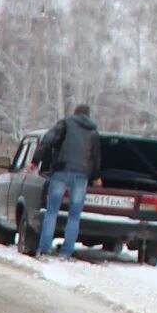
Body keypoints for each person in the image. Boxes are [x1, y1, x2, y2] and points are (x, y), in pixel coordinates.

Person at [36, 102, 103, 259]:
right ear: (88, 115)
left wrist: (36, 160)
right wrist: (96, 176)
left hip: (61, 171)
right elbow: (95, 156)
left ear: (75, 113)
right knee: (74, 215)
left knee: (52, 211)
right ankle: (66, 252)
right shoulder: (93, 131)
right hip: (81, 176)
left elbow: (48, 140)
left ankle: (44, 249)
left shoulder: (65, 124)